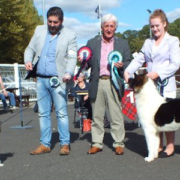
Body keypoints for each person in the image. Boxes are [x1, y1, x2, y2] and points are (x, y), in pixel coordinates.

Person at [124, 9, 180, 158]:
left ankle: (170, 147)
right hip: (150, 88)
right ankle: (157, 147)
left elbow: (176, 64)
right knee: (154, 119)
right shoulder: (148, 42)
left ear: (164, 24)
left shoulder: (173, 40)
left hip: (165, 84)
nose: (154, 29)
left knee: (168, 117)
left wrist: (158, 73)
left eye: (157, 25)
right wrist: (127, 71)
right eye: (152, 26)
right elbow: (139, 59)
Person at [24, 7, 77, 155]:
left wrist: (68, 72)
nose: (52, 25)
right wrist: (28, 60)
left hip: (58, 80)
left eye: (55, 22)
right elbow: (29, 49)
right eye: (50, 21)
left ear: (61, 21)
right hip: (40, 79)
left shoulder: (70, 35)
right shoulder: (39, 30)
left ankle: (65, 144)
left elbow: (72, 57)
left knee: (61, 113)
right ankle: (45, 144)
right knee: (43, 113)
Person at [78, 14, 131, 155]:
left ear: (115, 28)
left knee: (116, 115)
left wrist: (122, 65)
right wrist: (82, 60)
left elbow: (128, 61)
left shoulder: (123, 43)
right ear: (102, 27)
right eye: (106, 26)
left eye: (111, 26)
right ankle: (96, 143)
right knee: (97, 115)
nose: (109, 29)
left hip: (114, 82)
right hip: (97, 81)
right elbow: (87, 63)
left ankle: (119, 143)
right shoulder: (92, 42)